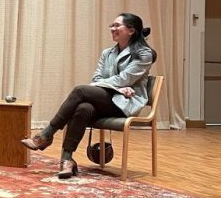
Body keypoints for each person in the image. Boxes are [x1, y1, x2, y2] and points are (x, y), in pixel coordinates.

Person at [22, 12, 157, 178]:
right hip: (109, 100)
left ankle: (46, 135)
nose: (112, 29)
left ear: (131, 30)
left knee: (80, 90)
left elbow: (124, 79)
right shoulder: (107, 53)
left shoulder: (144, 53)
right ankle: (67, 160)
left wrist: (117, 88)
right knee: (83, 108)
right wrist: (118, 88)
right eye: (112, 26)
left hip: (126, 104)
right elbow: (97, 79)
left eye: (117, 26)